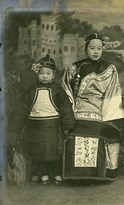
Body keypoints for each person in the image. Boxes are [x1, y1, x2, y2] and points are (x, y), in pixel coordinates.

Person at [62, 33, 124, 181]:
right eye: (92, 48)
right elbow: (67, 93)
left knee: (103, 131)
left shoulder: (109, 69)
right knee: (73, 129)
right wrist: (70, 112)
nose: (96, 51)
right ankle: (76, 174)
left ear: (103, 49)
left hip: (99, 110)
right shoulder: (73, 68)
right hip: (77, 110)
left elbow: (112, 95)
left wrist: (108, 118)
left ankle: (103, 171)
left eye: (99, 48)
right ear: (86, 49)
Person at [9, 54, 75, 185]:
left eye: (48, 73)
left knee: (53, 151)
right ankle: (39, 173)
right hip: (34, 127)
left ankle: (55, 173)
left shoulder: (58, 90)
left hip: (52, 127)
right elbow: (21, 110)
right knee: (37, 151)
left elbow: (66, 109)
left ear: (54, 75)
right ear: (37, 74)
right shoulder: (31, 90)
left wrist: (68, 126)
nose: (44, 76)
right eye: (41, 73)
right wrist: (15, 128)